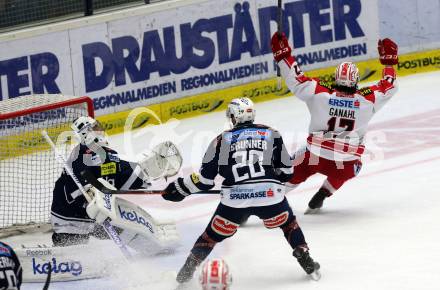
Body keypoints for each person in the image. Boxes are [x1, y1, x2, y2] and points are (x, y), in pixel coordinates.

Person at [162, 98, 321, 287]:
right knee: (289, 225)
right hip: (271, 199)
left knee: (209, 238)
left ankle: (185, 274)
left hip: (233, 204)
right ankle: (303, 255)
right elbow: (287, 173)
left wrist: (179, 189)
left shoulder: (220, 141)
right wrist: (269, 177)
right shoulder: (272, 134)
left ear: (233, 116)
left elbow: (204, 181)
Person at [271, 33, 399, 213]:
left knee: (292, 172)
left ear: (336, 78)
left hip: (314, 156)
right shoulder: (368, 100)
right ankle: (325, 192)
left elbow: (296, 79)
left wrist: (283, 56)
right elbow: (389, 86)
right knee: (355, 166)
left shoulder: (318, 93)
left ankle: (267, 201)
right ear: (356, 81)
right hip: (345, 163)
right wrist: (389, 64)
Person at [51, 116, 181, 249]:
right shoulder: (90, 154)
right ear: (86, 132)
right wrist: (145, 172)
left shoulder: (90, 151)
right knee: (129, 230)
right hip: (73, 220)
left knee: (125, 219)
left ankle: (64, 242)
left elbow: (115, 173)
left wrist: (144, 172)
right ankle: (64, 245)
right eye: (95, 127)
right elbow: (103, 174)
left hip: (75, 215)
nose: (100, 129)